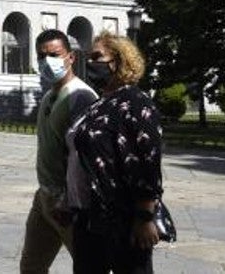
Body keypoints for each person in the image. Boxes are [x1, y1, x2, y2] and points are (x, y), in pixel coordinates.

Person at [66, 32, 164, 274]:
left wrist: (144, 216)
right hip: (89, 216)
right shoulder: (100, 103)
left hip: (123, 217)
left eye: (98, 56)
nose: (90, 63)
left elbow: (148, 161)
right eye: (89, 58)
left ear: (119, 61)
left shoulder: (136, 102)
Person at [20, 30, 97, 273]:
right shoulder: (49, 96)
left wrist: (67, 199)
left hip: (69, 203)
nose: (47, 62)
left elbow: (84, 155)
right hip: (44, 197)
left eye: (54, 55)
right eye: (42, 57)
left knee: (90, 265)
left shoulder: (80, 97)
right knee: (31, 266)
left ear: (71, 57)